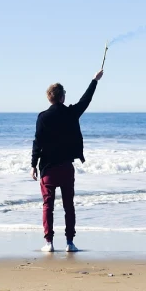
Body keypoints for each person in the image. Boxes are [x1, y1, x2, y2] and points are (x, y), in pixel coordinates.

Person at [31, 69, 104, 252]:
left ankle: (49, 243)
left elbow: (37, 142)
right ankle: (70, 243)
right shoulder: (71, 114)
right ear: (62, 97)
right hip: (65, 168)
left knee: (48, 206)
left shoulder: (42, 117)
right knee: (68, 206)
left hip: (47, 169)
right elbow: (85, 101)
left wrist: (33, 165)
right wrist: (94, 80)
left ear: (49, 98)